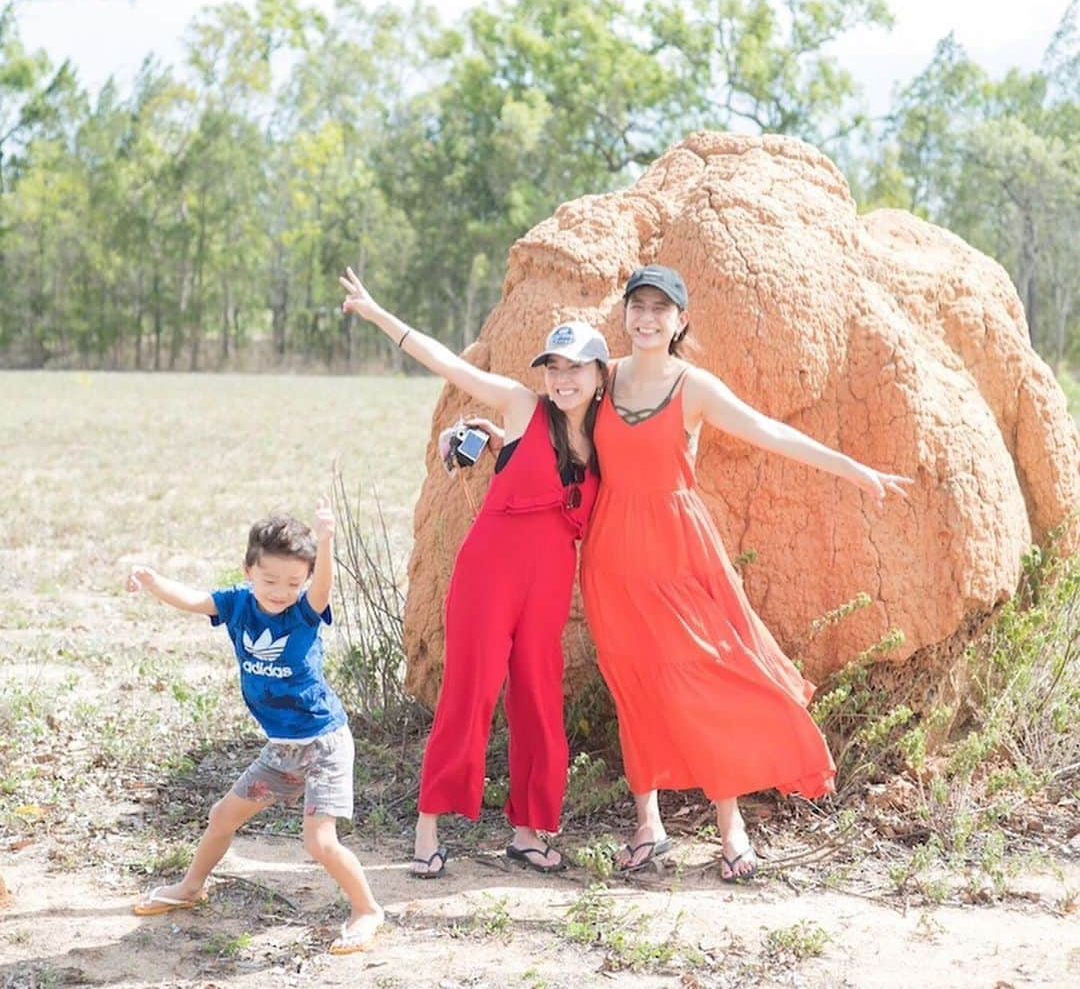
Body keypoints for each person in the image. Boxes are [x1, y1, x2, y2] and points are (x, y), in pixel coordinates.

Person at [580, 264, 911, 879]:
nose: (647, 318)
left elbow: (768, 432)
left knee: (702, 679)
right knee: (632, 682)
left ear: (680, 321)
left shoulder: (693, 387)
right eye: (638, 306)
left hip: (677, 551)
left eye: (661, 308)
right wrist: (491, 434)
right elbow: (550, 423)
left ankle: (730, 827)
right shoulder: (603, 379)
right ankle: (647, 826)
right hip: (610, 557)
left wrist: (855, 470)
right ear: (624, 313)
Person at [339, 266, 608, 875]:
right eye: (555, 368)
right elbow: (451, 368)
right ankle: (428, 830)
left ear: (599, 376)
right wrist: (381, 315)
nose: (562, 379)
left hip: (548, 584)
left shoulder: (605, 436)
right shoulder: (521, 407)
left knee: (540, 702)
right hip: (489, 573)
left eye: (576, 369)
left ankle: (527, 832)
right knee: (470, 693)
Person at [127, 500, 383, 956]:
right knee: (222, 817)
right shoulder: (238, 604)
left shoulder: (304, 610)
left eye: (292, 582)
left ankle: (366, 909)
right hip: (282, 750)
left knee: (319, 841)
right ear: (248, 570)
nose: (280, 591)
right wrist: (152, 582)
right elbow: (193, 599)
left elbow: (322, 585)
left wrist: (325, 543)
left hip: (323, 744)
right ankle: (190, 886)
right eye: (270, 580)